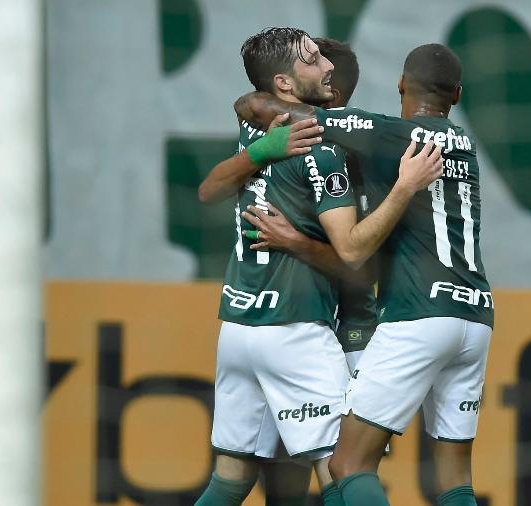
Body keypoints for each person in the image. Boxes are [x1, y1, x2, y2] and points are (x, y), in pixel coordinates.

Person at [235, 43, 494, 506]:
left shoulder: (388, 134)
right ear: (456, 95)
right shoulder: (467, 146)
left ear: (400, 85)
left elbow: (258, 107)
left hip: (419, 313)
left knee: (347, 464)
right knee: (455, 478)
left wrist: (256, 104)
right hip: (475, 318)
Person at [195, 28, 443, 506]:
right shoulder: (323, 152)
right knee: (343, 471)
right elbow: (355, 258)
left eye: (326, 67)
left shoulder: (265, 128)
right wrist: (405, 188)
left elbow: (228, 145)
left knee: (232, 478)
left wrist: (292, 236)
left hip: (240, 324)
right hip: (299, 327)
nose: (324, 70)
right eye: (313, 63)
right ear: (288, 87)